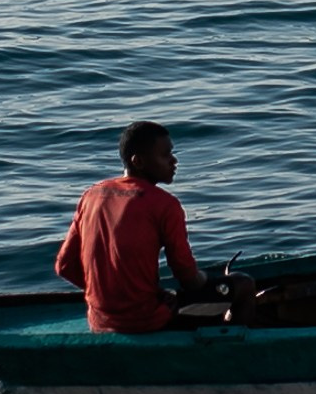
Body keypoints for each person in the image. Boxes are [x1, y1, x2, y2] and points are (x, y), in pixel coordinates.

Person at [54, 120, 255, 333]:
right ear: (138, 161)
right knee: (244, 284)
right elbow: (188, 279)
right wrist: (210, 278)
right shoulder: (165, 205)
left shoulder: (91, 196)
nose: (174, 161)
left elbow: (64, 266)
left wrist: (103, 293)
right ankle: (232, 353)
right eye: (165, 155)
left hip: (100, 322)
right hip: (148, 321)